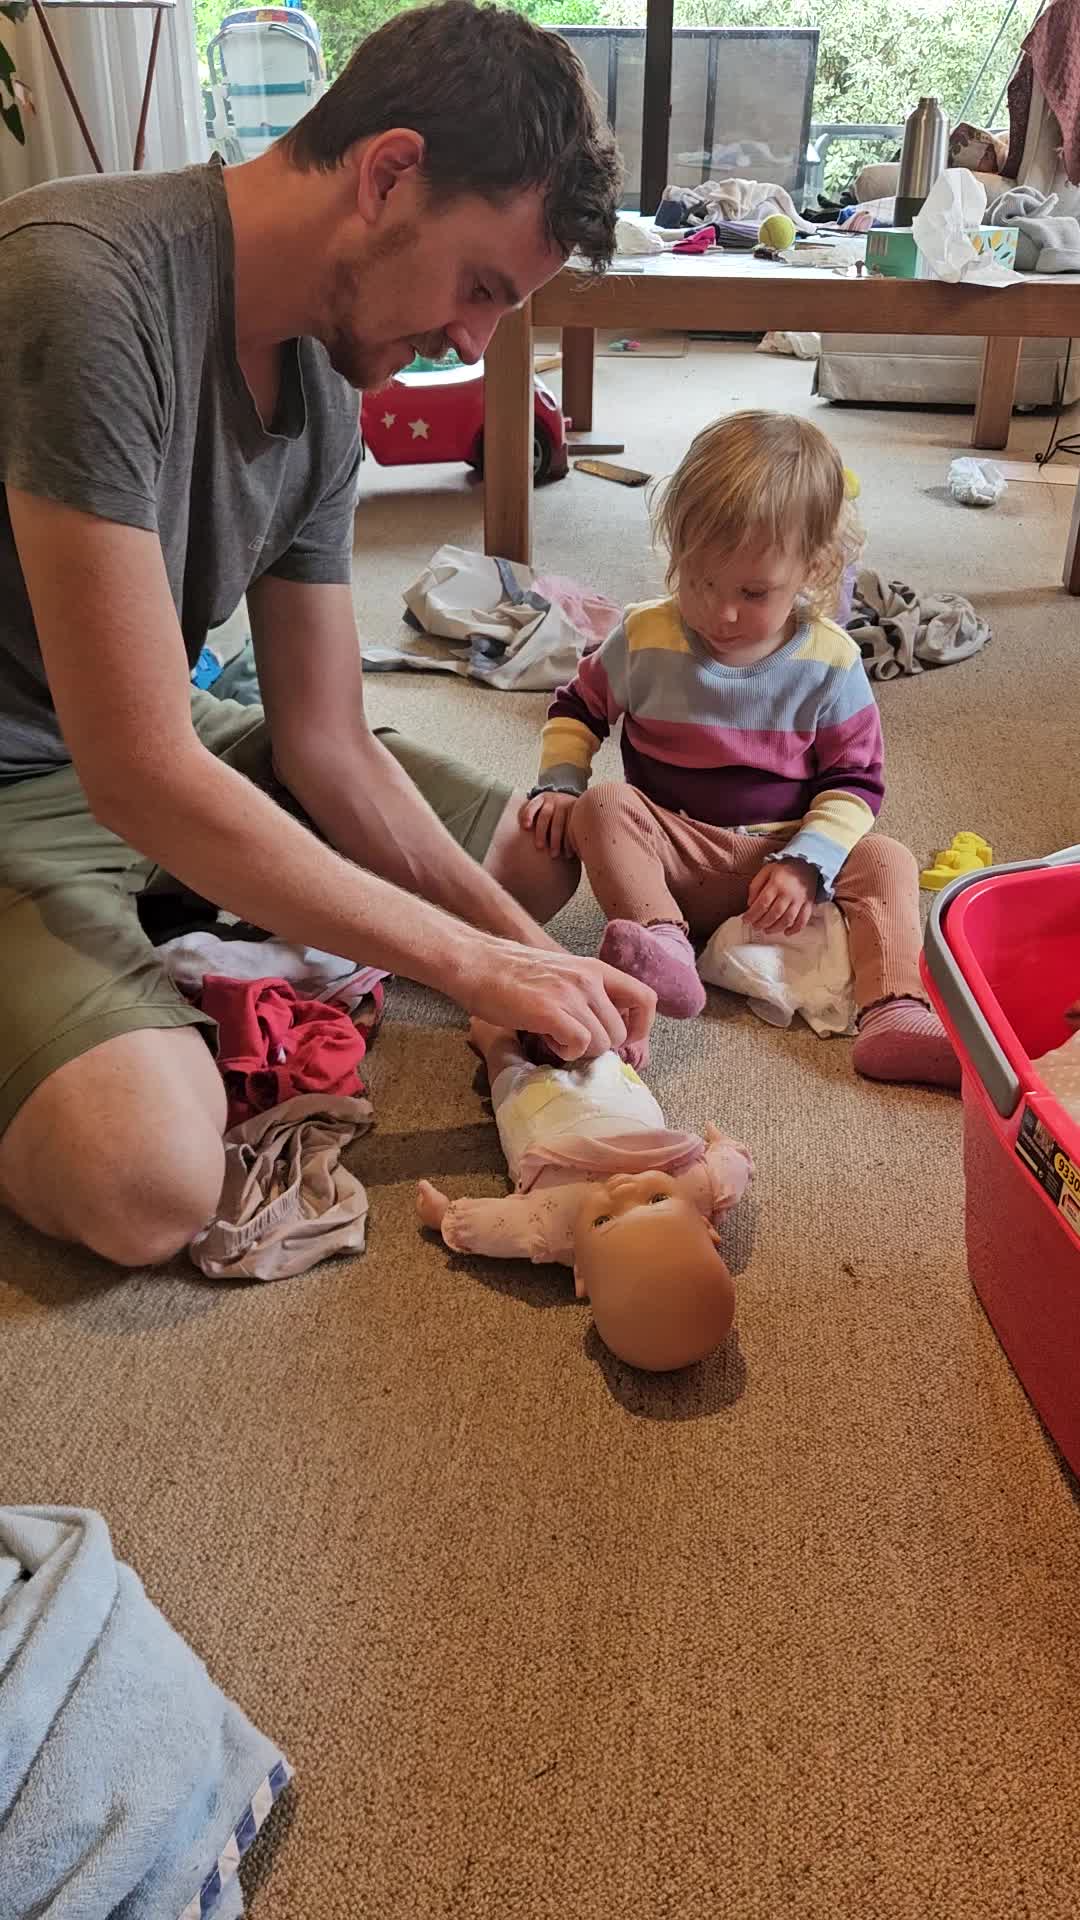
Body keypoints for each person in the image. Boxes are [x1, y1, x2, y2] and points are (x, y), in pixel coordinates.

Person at [0, 0, 655, 1269]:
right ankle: (197, 928)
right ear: (389, 174)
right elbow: (138, 772)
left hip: (145, 728)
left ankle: (213, 912)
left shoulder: (324, 385)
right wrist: (468, 970)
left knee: (529, 867)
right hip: (43, 767)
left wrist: (515, 954)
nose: (474, 340)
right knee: (147, 1179)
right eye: (480, 287)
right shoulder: (83, 287)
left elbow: (326, 740)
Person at [522, 410, 960, 1090]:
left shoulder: (831, 661)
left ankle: (893, 1011)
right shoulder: (644, 637)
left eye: (754, 593)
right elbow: (578, 708)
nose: (720, 613)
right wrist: (559, 783)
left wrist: (806, 864)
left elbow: (855, 783)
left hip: (784, 867)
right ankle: (662, 945)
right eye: (699, 581)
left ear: (814, 568)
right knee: (603, 806)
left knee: (887, 859)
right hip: (674, 858)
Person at [417, 1019, 751, 1371]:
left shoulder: (557, 1227)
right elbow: (730, 1169)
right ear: (705, 1226)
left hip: (537, 1113)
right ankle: (613, 1039)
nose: (623, 1189)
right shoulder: (698, 1188)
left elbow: (496, 1226)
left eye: (604, 1220)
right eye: (656, 1200)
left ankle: (494, 1037)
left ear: (582, 1274)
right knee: (601, 1048)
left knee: (505, 1064)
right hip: (616, 1097)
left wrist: (445, 1216)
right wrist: (724, 1143)